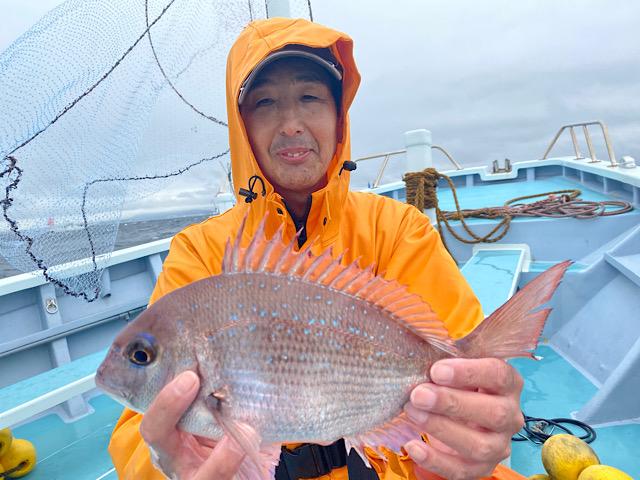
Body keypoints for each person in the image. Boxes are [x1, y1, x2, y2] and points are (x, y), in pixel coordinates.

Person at [108, 17, 526, 480]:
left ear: (338, 116)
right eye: (266, 103)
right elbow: (139, 435)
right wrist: (166, 465)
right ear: (242, 126)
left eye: (310, 97)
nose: (291, 125)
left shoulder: (398, 230)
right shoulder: (201, 252)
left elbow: (467, 404)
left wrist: (465, 439)